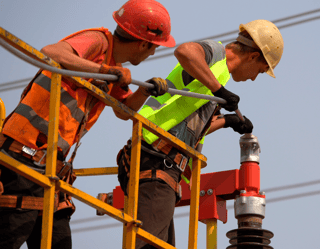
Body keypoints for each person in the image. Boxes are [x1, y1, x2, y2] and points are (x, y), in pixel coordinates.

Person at [0, 0, 175, 248]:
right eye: (154, 47)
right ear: (144, 43)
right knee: (11, 233)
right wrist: (102, 69)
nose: (153, 53)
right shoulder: (99, 41)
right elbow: (52, 52)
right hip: (23, 154)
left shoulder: (113, 67)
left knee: (58, 241)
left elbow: (123, 111)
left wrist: (147, 89)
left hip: (50, 166)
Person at [116, 19, 284, 248]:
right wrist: (219, 90)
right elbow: (184, 51)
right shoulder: (216, 54)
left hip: (164, 165)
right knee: (149, 245)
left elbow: (188, 126)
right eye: (260, 71)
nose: (254, 77)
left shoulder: (216, 76)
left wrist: (227, 121)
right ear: (254, 56)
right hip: (154, 158)